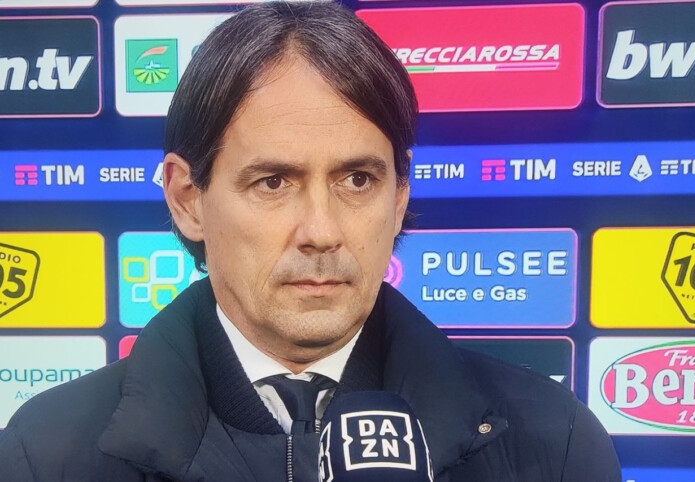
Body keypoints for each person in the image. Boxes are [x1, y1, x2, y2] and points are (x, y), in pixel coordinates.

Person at [0, 3, 621, 481]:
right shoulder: (47, 453)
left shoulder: (553, 442)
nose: (322, 231)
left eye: (358, 180)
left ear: (399, 195)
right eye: (273, 182)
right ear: (187, 199)